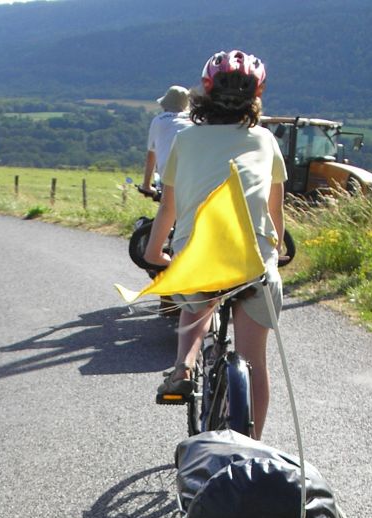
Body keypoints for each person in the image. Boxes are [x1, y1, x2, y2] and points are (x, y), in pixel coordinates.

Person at [143, 50, 287, 438]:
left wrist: (155, 253)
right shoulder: (266, 140)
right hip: (251, 262)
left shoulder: (185, 140)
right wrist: (281, 251)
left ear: (204, 93)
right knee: (255, 360)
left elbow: (168, 208)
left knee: (195, 287)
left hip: (201, 257)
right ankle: (252, 449)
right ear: (256, 97)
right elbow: (276, 215)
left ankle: (184, 366)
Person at [138, 85, 192, 195]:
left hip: (169, 178)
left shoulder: (158, 121)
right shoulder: (194, 120)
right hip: (194, 177)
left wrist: (146, 185)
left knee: (167, 209)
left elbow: (151, 154)